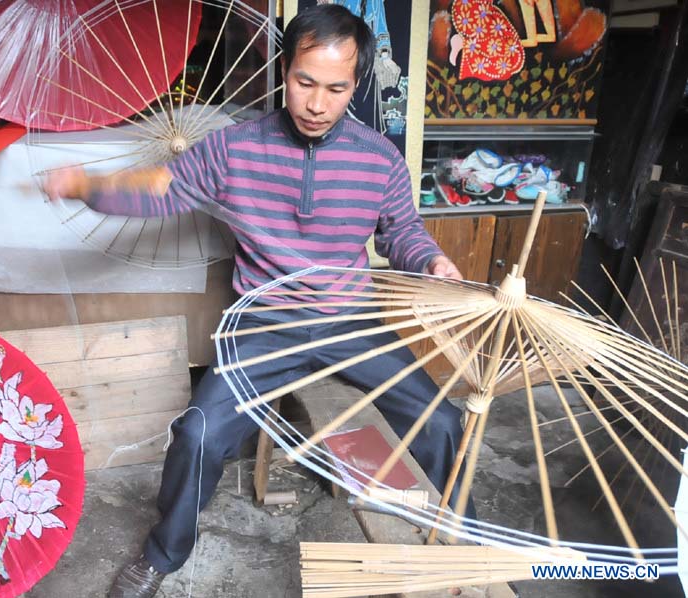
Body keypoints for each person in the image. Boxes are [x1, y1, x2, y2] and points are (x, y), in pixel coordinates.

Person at [44, 5, 467, 597]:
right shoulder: (232, 149)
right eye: (304, 83)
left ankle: (443, 537)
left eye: (337, 88)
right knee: (196, 432)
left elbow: (401, 231)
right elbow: (161, 190)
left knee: (443, 420)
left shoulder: (379, 159)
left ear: (357, 84)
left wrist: (431, 262)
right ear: (284, 72)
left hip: (350, 321)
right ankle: (163, 555)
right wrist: (88, 186)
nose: (318, 104)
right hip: (264, 322)